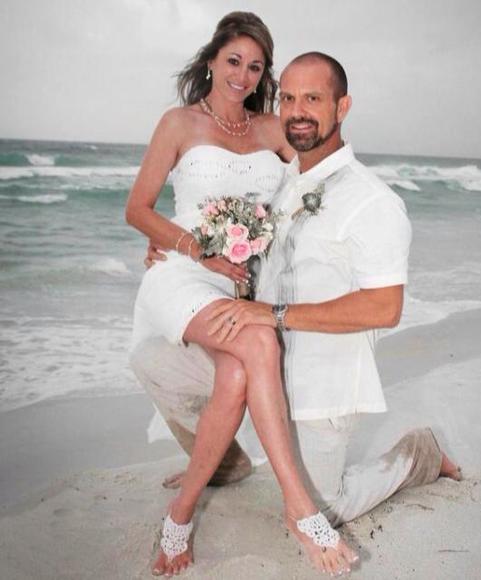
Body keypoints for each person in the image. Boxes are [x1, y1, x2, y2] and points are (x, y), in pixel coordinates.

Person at [135, 49, 462, 539]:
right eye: (287, 98)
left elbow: (385, 308)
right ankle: (225, 462)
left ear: (342, 106)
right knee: (153, 360)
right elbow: (235, 225)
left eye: (312, 98)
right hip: (265, 362)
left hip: (317, 388)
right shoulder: (287, 178)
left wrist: (273, 314)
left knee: (320, 512)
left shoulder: (372, 202)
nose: (297, 111)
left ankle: (420, 455)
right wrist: (172, 241)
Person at [126, 13, 358, 578]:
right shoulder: (178, 122)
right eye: (234, 61)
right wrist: (186, 245)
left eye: (255, 67)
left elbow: (319, 184)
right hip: (183, 273)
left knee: (234, 375)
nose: (243, 75)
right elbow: (137, 209)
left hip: (242, 281)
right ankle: (299, 505)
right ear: (212, 60)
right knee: (259, 341)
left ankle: (180, 515)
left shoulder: (272, 130)